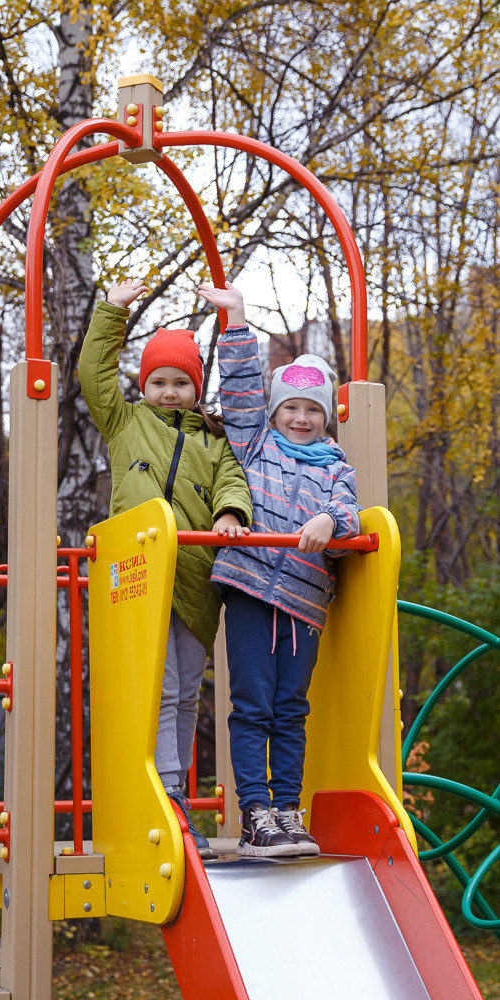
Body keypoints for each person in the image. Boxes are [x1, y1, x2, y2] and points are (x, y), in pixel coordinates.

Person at [79, 279, 253, 853]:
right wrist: (113, 311)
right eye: (159, 381)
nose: (170, 391)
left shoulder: (213, 441)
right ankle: (167, 793)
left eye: (182, 382)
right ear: (143, 385)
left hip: (195, 583)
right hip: (138, 579)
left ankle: (173, 793)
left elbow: (232, 480)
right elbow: (93, 377)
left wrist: (230, 511)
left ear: (196, 388)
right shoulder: (125, 423)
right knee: (160, 687)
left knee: (183, 693)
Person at [198, 280, 361, 858]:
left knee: (291, 708)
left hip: (303, 602)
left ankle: (289, 810)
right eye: (290, 406)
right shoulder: (257, 444)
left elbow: (349, 514)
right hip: (249, 590)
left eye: (311, 409)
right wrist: (236, 321)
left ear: (325, 417)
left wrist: (329, 521)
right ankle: (256, 814)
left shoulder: (336, 468)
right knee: (253, 705)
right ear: (275, 411)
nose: (300, 417)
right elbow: (240, 391)